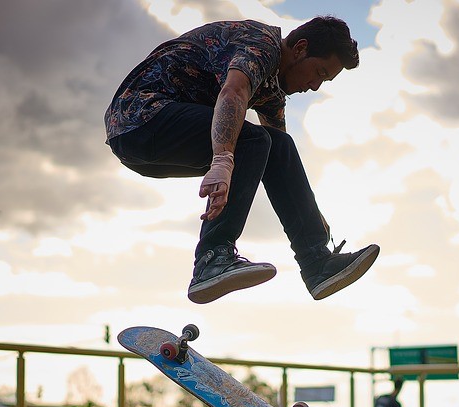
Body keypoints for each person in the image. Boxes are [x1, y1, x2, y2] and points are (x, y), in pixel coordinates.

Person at [105, 16, 380, 304]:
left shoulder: (271, 90)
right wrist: (223, 160)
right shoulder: (261, 45)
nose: (313, 86)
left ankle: (317, 264)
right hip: (140, 118)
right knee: (253, 140)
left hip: (149, 142)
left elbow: (282, 164)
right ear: (300, 48)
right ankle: (212, 257)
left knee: (277, 145)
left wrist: (313, 218)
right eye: (319, 73)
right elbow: (233, 91)